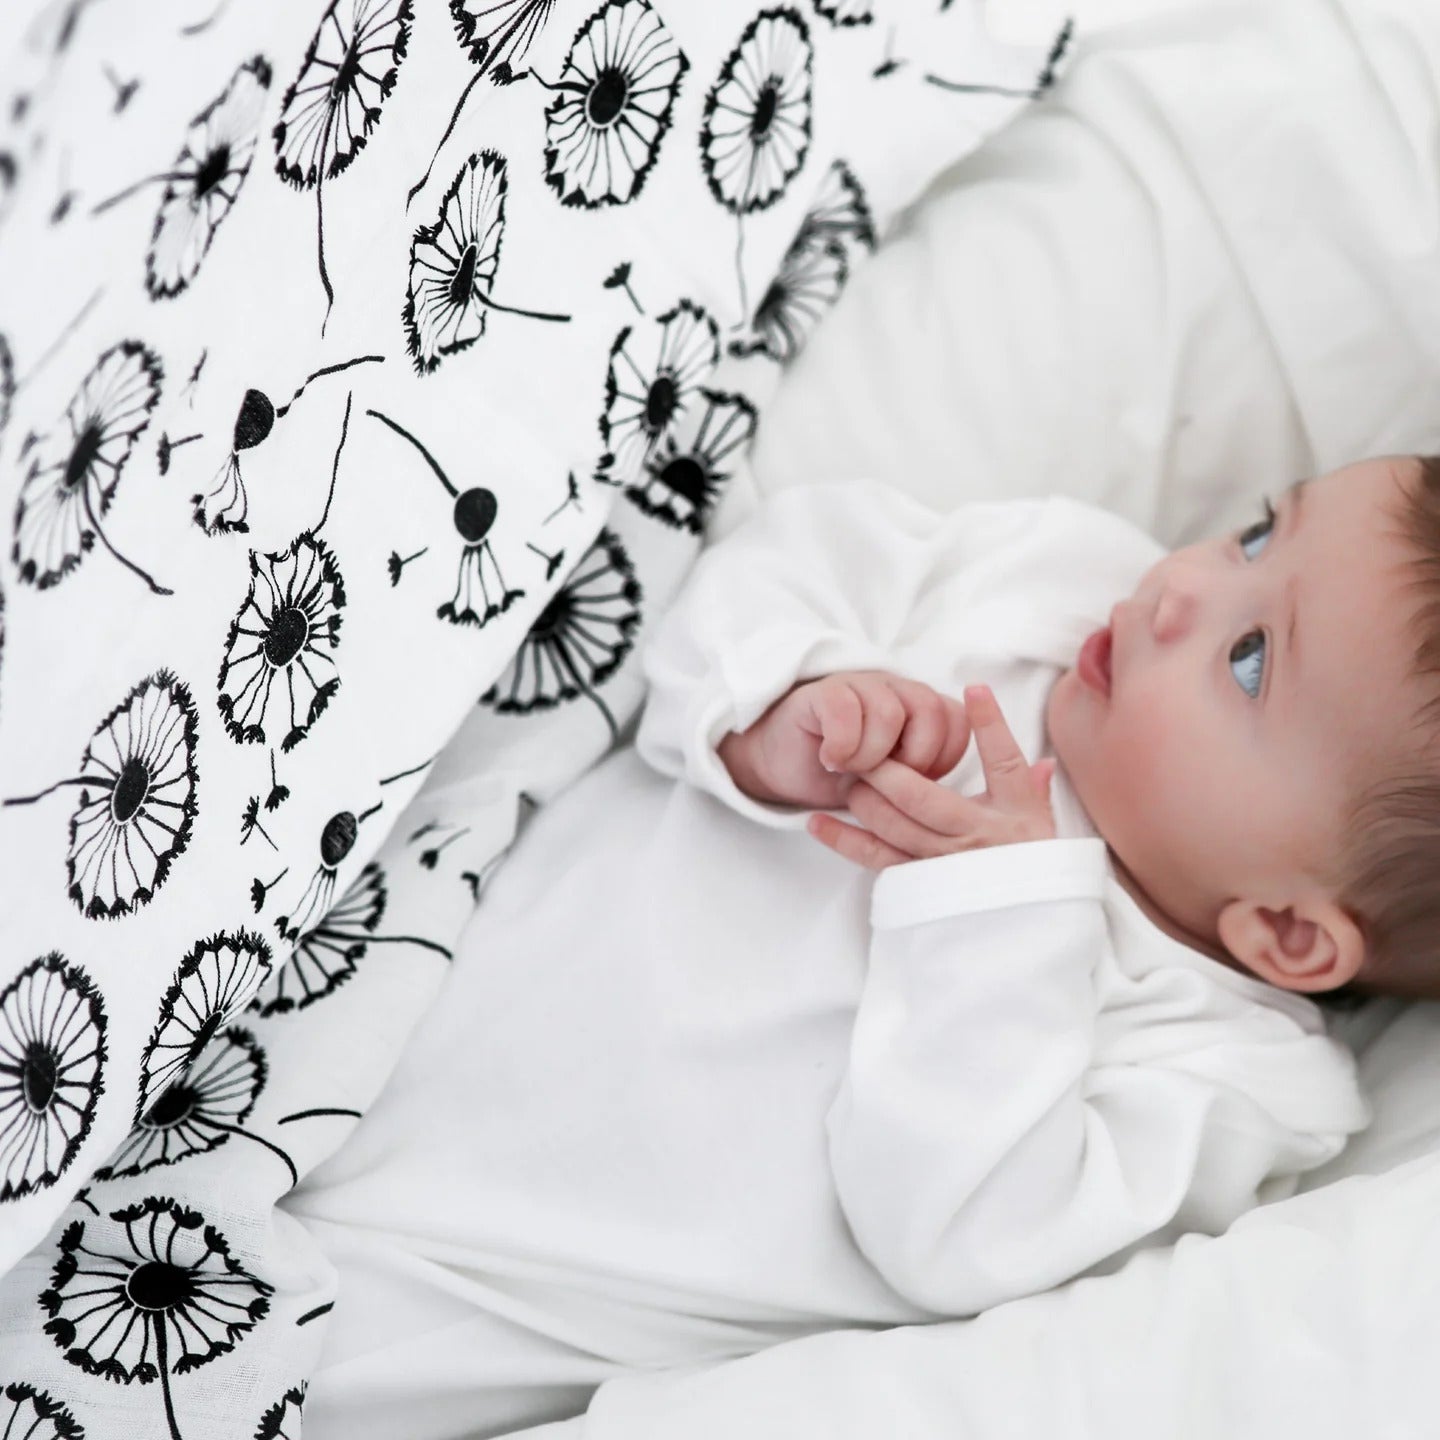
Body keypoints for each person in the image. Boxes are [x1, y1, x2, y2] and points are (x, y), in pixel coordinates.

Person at [294, 453, 1440, 1440]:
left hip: (467, 1279)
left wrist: (1002, 910)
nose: (1183, 584)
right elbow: (769, 571)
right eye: (1254, 530)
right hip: (384, 976)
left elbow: (961, 1234)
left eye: (1248, 659)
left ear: (1287, 932)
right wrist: (785, 697)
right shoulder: (1047, 592)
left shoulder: (1227, 1074)